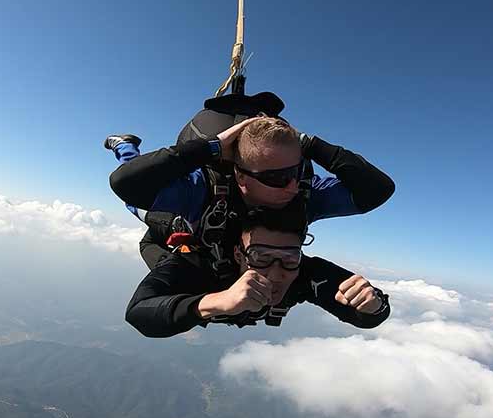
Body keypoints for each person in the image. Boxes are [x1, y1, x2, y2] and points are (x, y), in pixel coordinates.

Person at [106, 107, 395, 269]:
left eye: (295, 171)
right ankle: (126, 145)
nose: (292, 185)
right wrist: (213, 147)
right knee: (140, 209)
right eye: (277, 177)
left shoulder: (306, 194)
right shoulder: (203, 188)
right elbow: (127, 184)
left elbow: (378, 190)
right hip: (188, 226)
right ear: (241, 177)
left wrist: (309, 143)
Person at [125, 202, 390, 338]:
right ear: (239, 254)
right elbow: (139, 313)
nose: (275, 273)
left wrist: (372, 304)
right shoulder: (198, 264)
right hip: (168, 234)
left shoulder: (303, 270)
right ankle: (126, 149)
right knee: (142, 207)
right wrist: (217, 301)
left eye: (288, 258)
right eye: (261, 257)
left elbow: (365, 314)